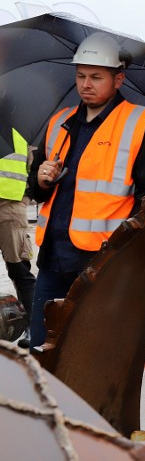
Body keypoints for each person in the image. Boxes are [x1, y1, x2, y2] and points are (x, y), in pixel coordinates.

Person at [26, 32, 145, 349]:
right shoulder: (60, 123)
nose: (85, 84)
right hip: (53, 260)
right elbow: (34, 193)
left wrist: (127, 257)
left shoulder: (138, 122)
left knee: (92, 354)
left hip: (103, 264)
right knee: (42, 352)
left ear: (118, 79)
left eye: (95, 77)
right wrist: (41, 179)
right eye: (80, 76)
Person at [0, 126, 35, 347]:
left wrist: (26, 198)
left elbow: (37, 166)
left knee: (19, 269)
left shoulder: (20, 129)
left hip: (11, 206)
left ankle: (34, 325)